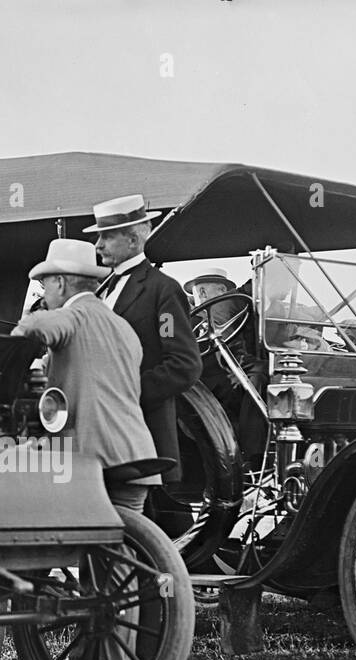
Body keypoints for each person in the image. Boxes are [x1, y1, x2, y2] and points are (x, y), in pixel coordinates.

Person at [13, 238, 160, 660]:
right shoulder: (122, 328)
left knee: (97, 567)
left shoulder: (73, 315)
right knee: (118, 576)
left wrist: (25, 327)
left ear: (60, 282)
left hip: (93, 458)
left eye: (43, 284)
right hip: (137, 454)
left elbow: (39, 329)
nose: (42, 291)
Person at [87, 194, 201, 533]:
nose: (98, 244)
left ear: (134, 238)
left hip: (144, 431)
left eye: (106, 236)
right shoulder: (99, 291)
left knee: (150, 533)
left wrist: (124, 395)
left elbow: (184, 364)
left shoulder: (162, 290)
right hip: (102, 433)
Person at [184, 268, 268, 463]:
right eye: (221, 290)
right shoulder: (184, 319)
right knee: (259, 374)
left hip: (227, 374)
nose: (226, 296)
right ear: (203, 293)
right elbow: (232, 354)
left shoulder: (233, 313)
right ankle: (253, 455)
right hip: (204, 386)